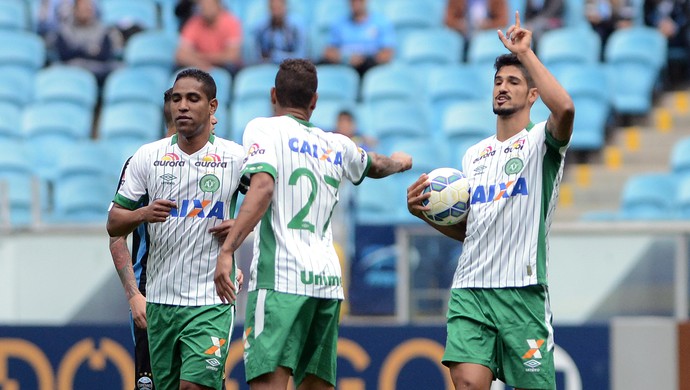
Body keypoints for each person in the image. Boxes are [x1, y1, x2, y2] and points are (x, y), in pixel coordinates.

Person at [213, 58, 412, 389]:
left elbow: (262, 187)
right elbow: (375, 164)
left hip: (281, 282)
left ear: (273, 94)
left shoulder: (263, 128)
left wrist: (229, 248)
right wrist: (400, 163)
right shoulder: (336, 144)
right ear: (314, 101)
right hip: (326, 283)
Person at [406, 12, 574, 390]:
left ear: (533, 94)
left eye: (514, 81)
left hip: (523, 293)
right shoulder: (473, 156)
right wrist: (425, 215)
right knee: (466, 383)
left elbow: (565, 109)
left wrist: (525, 54)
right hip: (471, 291)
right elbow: (471, 231)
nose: (502, 87)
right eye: (498, 81)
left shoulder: (541, 144)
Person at [107, 68, 246, 390]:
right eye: (176, 99)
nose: (182, 106)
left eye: (191, 99)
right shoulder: (146, 158)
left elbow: (269, 202)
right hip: (157, 300)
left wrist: (239, 233)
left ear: (212, 108)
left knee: (194, 386)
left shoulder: (235, 158)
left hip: (211, 300)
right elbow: (114, 227)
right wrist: (143, 214)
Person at [322, 0, 396, 76]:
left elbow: (387, 53)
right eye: (352, 1)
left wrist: (363, 60)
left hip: (369, 67)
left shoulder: (381, 22)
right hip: (344, 66)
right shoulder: (339, 23)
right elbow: (329, 51)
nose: (356, 3)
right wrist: (346, 59)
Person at [54, 0, 119, 85]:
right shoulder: (64, 30)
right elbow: (65, 55)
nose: (87, 10)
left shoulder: (103, 30)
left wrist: (77, 50)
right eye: (83, 8)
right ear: (75, 10)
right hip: (72, 70)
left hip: (99, 72)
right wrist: (90, 51)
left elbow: (105, 55)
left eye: (89, 7)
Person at [175, 0, 243, 75]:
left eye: (210, 5)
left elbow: (232, 56)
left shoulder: (231, 22)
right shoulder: (194, 23)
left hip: (225, 68)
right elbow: (180, 55)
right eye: (203, 5)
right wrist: (201, 63)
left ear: (218, 5)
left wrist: (204, 57)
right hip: (199, 65)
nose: (206, 8)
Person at [252, 0, 307, 65]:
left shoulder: (297, 26)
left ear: (285, 7)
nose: (276, 12)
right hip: (268, 66)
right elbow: (257, 57)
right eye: (273, 8)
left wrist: (277, 56)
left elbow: (301, 55)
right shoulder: (261, 27)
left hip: (292, 66)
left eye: (279, 8)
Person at [444, 0, 510, 40]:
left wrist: (487, 25)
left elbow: (503, 20)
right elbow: (448, 19)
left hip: (486, 34)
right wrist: (460, 25)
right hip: (462, 35)